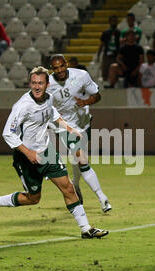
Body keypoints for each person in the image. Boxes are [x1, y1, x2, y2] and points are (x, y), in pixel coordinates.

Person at [0, 66, 109, 239]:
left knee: (69, 189)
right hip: (26, 158)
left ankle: (86, 228)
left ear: (47, 85)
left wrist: (69, 128)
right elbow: (8, 133)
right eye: (33, 83)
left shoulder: (49, 98)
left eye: (40, 83)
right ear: (30, 83)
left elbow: (53, 113)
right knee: (33, 198)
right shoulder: (22, 106)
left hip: (47, 153)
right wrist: (29, 153)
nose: (36, 86)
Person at [47, 54, 111, 212]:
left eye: (62, 66)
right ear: (52, 69)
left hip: (83, 122)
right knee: (81, 159)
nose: (60, 70)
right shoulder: (47, 84)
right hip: (63, 125)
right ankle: (103, 198)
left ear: (66, 64)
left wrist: (86, 102)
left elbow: (97, 95)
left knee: (79, 158)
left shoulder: (81, 75)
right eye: (56, 68)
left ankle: (75, 184)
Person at [96, 15, 120, 83]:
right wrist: (98, 54)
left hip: (116, 56)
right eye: (112, 21)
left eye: (115, 21)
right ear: (109, 22)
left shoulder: (119, 32)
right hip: (107, 55)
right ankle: (105, 85)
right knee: (105, 72)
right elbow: (101, 44)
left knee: (115, 73)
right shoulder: (105, 32)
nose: (114, 23)